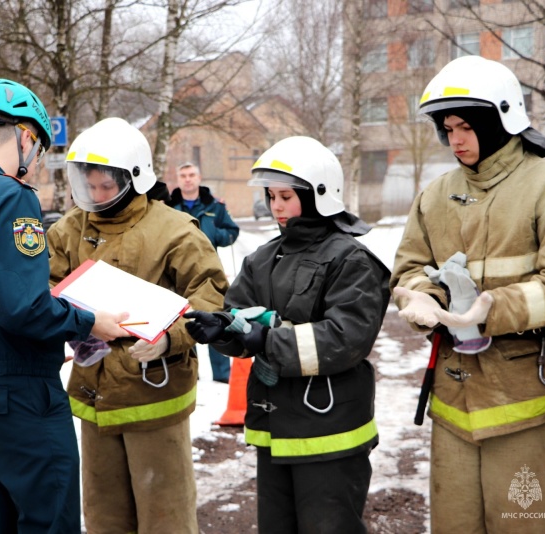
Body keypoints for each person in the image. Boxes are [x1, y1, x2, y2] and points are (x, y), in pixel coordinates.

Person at [0, 79, 129, 533]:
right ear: (26, 137)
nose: (34, 167)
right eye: (38, 149)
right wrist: (91, 322)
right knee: (49, 518)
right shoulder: (12, 198)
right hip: (22, 395)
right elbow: (21, 309)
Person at [391, 55, 545, 533]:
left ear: (502, 118)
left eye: (466, 126)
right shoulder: (434, 195)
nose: (455, 139)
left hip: (526, 400)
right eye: (447, 128)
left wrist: (489, 309)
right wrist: (420, 298)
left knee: (526, 525)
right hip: (453, 402)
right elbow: (408, 268)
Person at [185, 136, 390, 533]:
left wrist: (266, 339)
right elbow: (239, 318)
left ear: (319, 195)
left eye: (286, 196)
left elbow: (347, 338)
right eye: (271, 196)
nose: (275, 206)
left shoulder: (351, 258)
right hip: (274, 431)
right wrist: (222, 330)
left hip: (331, 432)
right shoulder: (262, 258)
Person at [45, 117, 228, 534]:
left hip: (155, 397)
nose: (95, 195)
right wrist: (73, 323)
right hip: (95, 397)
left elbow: (210, 294)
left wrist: (170, 340)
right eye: (88, 185)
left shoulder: (174, 230)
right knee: (105, 518)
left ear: (134, 178)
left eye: (106, 186)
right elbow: (47, 284)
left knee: (165, 518)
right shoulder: (70, 229)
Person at [168, 162, 240, 382]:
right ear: (178, 180)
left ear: (199, 178)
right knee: (184, 321)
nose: (187, 179)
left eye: (191, 175)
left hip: (209, 272)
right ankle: (190, 375)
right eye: (183, 175)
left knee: (214, 319)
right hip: (177, 273)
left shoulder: (215, 206)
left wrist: (211, 233)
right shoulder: (169, 206)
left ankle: (222, 377)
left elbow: (231, 232)